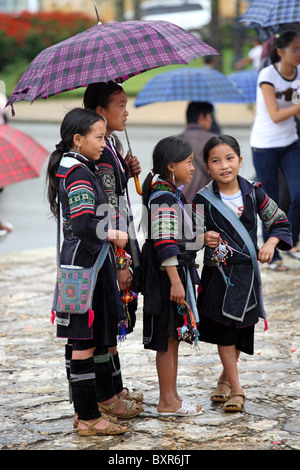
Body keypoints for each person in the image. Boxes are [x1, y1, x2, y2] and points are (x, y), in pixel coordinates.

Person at [46, 107, 131, 436]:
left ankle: (87, 412)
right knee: (83, 343)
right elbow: (83, 224)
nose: (103, 142)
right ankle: (87, 418)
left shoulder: (73, 166)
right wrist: (113, 233)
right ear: (78, 140)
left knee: (82, 340)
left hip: (75, 268)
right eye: (98, 136)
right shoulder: (79, 172)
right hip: (85, 269)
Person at [192, 135, 292, 412]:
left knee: (241, 331)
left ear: (240, 160)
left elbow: (280, 220)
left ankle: (225, 380)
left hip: (247, 276)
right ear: (207, 166)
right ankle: (237, 390)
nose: (224, 165)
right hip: (218, 277)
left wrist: (271, 243)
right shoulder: (202, 199)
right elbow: (189, 235)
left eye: (229, 158)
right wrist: (203, 237)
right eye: (216, 161)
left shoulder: (254, 193)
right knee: (225, 332)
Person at [83, 81, 144, 417]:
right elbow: (109, 212)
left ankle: (116, 388)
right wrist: (122, 261)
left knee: (115, 317)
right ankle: (107, 395)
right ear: (99, 113)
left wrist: (127, 167)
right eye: (119, 104)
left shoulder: (111, 147)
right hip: (113, 249)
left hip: (119, 242)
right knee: (108, 321)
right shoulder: (103, 155)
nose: (126, 110)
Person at [140, 135, 202, 416]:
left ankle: (173, 398)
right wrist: (176, 282)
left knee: (173, 338)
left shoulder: (169, 191)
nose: (192, 168)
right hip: (167, 277)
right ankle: (167, 401)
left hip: (172, 273)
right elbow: (164, 242)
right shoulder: (163, 196)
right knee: (167, 340)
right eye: (188, 163)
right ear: (170, 166)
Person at [250, 29, 300, 270]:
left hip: (290, 142)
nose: (299, 54)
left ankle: (290, 242)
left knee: (298, 193)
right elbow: (275, 114)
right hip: (265, 145)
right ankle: (273, 254)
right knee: (271, 201)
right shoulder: (267, 75)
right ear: (280, 52)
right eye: (295, 49)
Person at [179, 101, 216, 203]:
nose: (211, 120)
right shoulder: (214, 141)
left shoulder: (175, 141)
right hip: (202, 205)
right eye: (209, 115)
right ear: (201, 117)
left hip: (178, 204)